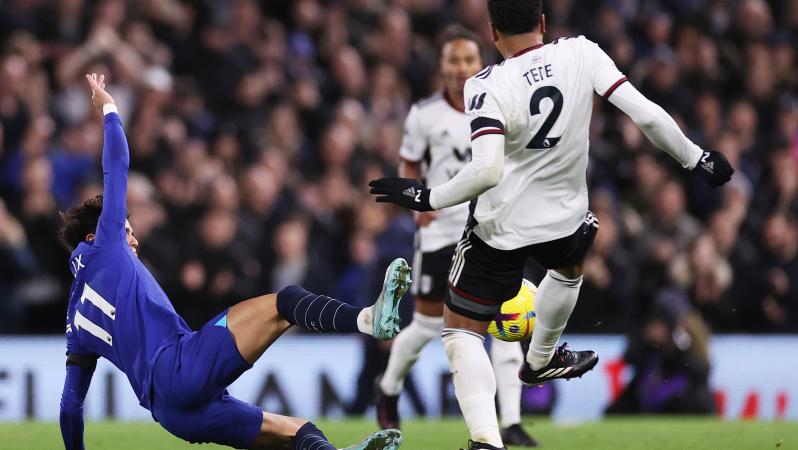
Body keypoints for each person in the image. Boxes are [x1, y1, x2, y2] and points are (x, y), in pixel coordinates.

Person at [369, 1, 734, 448]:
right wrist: (697, 157)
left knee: (461, 329)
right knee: (569, 266)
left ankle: (486, 439)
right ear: (543, 23)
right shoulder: (582, 52)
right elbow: (644, 114)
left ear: (492, 33)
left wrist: (427, 196)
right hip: (566, 220)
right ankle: (540, 359)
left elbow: (485, 171)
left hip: (500, 229)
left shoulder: (486, 84)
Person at [59, 73, 410, 450]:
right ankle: (367, 319)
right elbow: (117, 165)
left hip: (171, 414)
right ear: (94, 236)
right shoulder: (107, 247)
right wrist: (108, 107)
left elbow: (71, 405)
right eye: (126, 229)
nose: (133, 237)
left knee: (295, 431)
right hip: (179, 366)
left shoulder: (75, 321)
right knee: (285, 302)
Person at [372, 26, 537, 448]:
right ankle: (388, 385)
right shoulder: (424, 114)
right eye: (453, 60)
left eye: (468, 59)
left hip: (490, 228)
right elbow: (408, 163)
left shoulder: (498, 99)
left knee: (501, 323)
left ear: (479, 62)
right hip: (441, 230)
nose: (461, 67)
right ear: (442, 66)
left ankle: (511, 421)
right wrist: (417, 207)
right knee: (429, 325)